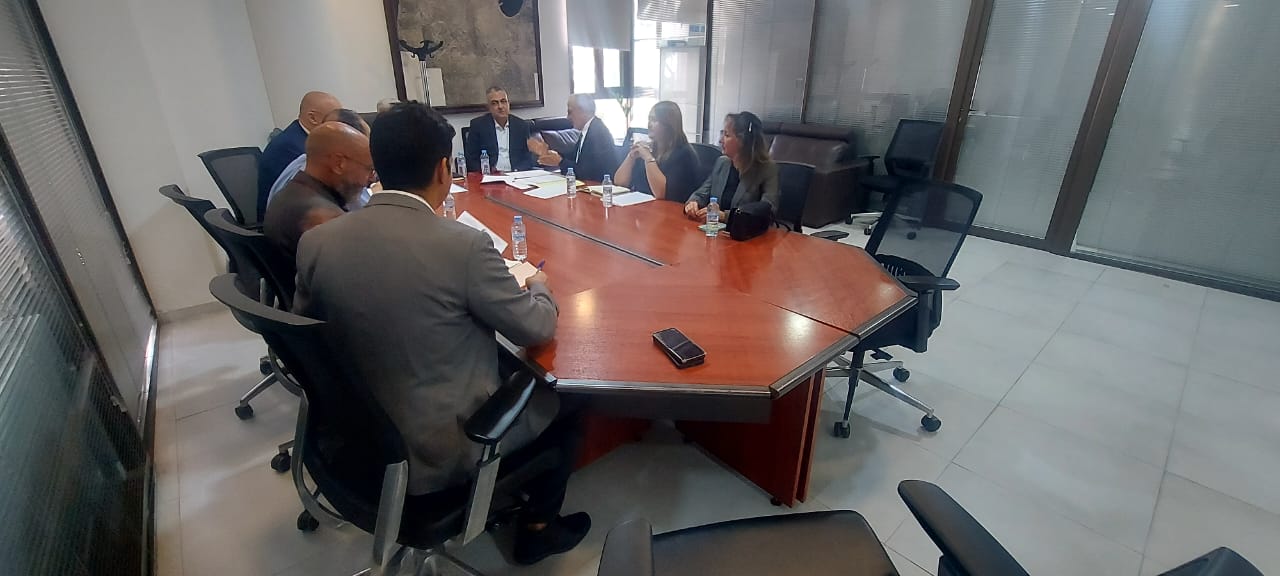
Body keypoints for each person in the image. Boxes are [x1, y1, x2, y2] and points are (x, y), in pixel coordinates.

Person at [293, 101, 590, 565]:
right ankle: (538, 528)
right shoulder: (462, 245)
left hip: (351, 435)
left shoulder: (316, 242)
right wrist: (540, 286)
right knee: (566, 399)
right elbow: (537, 328)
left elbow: (309, 335)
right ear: (442, 169)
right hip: (438, 450)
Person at [262, 122, 374, 261]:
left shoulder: (289, 193)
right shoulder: (323, 219)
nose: (371, 179)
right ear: (339, 163)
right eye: (369, 169)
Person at [258, 91, 342, 217]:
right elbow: (324, 187)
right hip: (284, 221)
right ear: (312, 118)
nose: (340, 124)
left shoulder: (302, 136)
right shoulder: (291, 147)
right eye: (335, 119)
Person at [266, 108, 371, 209]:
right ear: (339, 162)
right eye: (369, 168)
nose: (370, 177)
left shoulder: (303, 163)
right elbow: (365, 210)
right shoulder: (317, 210)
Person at [685, 112, 779, 222]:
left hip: (744, 231)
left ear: (742, 141)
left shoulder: (767, 169)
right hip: (714, 229)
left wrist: (725, 216)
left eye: (727, 135)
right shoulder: (722, 163)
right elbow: (702, 193)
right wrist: (693, 202)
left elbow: (768, 212)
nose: (720, 140)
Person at [612, 101, 700, 203]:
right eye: (649, 119)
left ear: (668, 125)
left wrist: (648, 159)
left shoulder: (684, 154)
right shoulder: (649, 148)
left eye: (654, 120)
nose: (649, 124)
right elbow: (619, 183)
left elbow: (661, 193)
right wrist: (631, 157)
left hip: (668, 209)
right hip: (641, 206)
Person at [529, 94, 616, 181]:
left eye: (570, 112)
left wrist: (560, 162)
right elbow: (574, 158)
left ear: (582, 111)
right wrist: (550, 154)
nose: (568, 117)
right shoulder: (588, 130)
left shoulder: (598, 133)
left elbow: (587, 172)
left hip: (598, 185)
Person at [465, 86, 536, 172]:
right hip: (491, 175)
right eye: (494, 103)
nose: (500, 106)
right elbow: (471, 159)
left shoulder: (521, 126)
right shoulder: (478, 126)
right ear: (488, 107)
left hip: (516, 174)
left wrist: (516, 171)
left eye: (503, 101)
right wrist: (488, 172)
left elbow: (528, 158)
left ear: (508, 104)